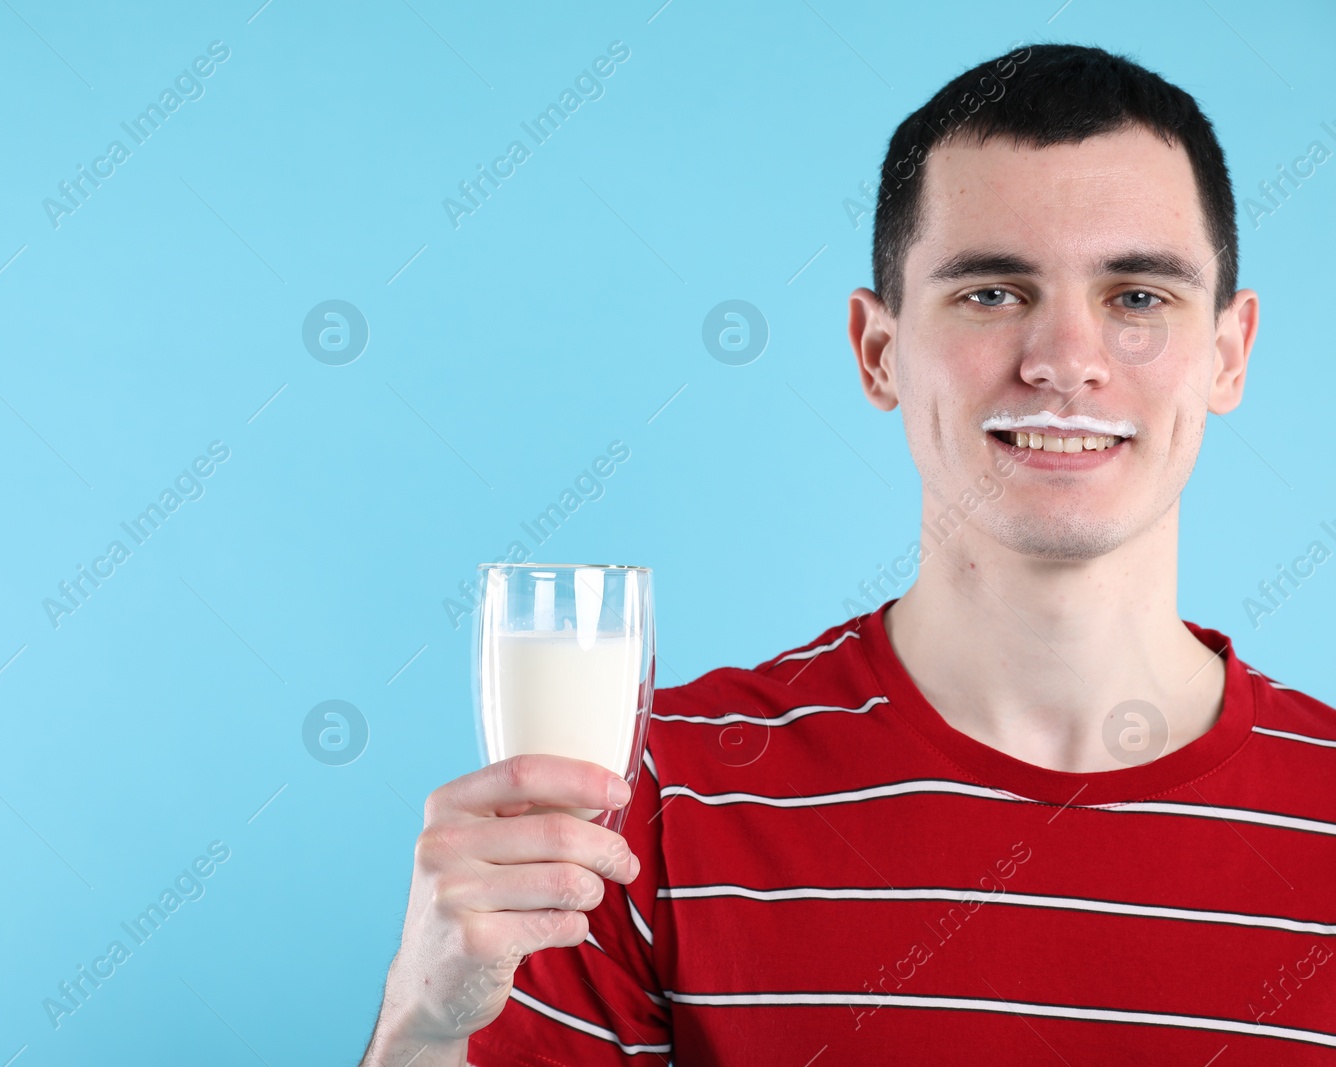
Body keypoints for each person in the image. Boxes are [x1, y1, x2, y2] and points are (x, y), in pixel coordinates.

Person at [361, 42, 1336, 1064]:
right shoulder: (641, 803)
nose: (1064, 361)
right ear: (877, 351)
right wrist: (420, 1026)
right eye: (991, 292)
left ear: (1227, 353)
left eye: (1137, 296)